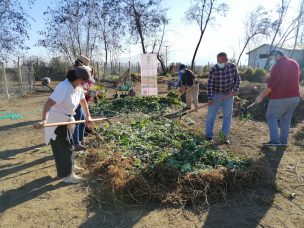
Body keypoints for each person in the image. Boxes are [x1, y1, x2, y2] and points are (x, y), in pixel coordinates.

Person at [37, 66, 94, 184]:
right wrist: (44, 120)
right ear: (79, 79)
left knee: (71, 144)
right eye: (85, 81)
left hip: (67, 119)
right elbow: (48, 104)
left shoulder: (78, 88)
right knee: (63, 148)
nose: (86, 84)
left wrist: (88, 116)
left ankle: (71, 166)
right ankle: (67, 175)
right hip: (56, 121)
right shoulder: (63, 87)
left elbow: (83, 101)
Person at [255, 49, 300, 147]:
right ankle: (283, 142)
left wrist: (261, 96)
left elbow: (271, 85)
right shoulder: (294, 63)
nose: (273, 59)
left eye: (273, 57)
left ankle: (275, 141)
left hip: (280, 98)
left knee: (271, 116)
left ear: (278, 55)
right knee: (286, 118)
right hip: (295, 97)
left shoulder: (277, 66)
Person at [205, 52, 240, 144]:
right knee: (211, 116)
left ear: (226, 61)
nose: (219, 63)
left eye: (221, 61)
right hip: (216, 95)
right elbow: (209, 84)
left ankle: (224, 137)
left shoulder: (233, 67)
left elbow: (237, 79)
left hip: (228, 95)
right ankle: (208, 136)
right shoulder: (214, 69)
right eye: (218, 61)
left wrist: (236, 89)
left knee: (227, 117)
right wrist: (210, 98)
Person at [72, 55, 95, 151]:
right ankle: (76, 143)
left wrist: (89, 91)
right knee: (77, 121)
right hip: (74, 102)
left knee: (81, 120)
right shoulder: (75, 74)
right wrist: (88, 91)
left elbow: (81, 89)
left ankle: (80, 140)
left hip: (79, 100)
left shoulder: (80, 72)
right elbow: (77, 88)